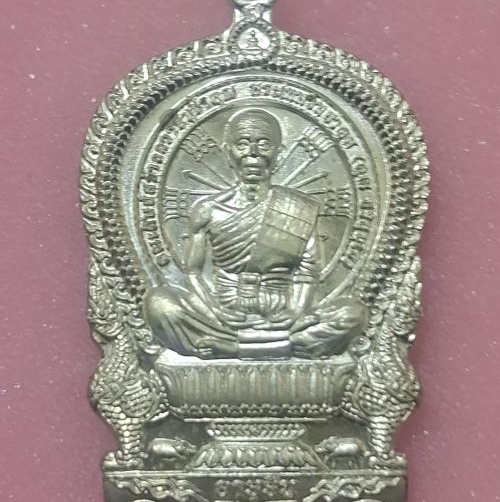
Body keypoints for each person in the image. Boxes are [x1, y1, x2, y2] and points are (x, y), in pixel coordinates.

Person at [144, 108, 366, 359]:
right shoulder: (207, 210)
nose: (253, 152)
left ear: (279, 153)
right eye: (242, 144)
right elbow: (192, 271)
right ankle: (275, 347)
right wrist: (214, 311)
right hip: (223, 317)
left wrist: (296, 311)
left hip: (283, 316)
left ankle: (235, 349)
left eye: (263, 144)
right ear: (228, 152)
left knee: (352, 314)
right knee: (160, 305)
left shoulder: (299, 208)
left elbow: (308, 272)